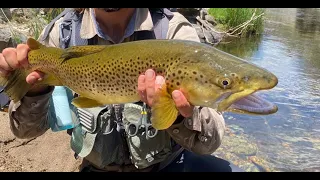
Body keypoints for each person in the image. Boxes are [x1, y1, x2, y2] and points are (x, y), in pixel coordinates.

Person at [0, 8, 244, 172]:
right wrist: (33, 90)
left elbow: (209, 143)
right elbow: (25, 132)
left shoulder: (172, 32)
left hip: (165, 165)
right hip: (95, 167)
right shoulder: (62, 35)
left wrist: (179, 115)